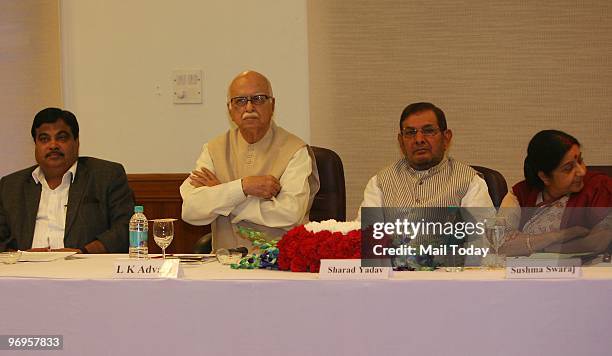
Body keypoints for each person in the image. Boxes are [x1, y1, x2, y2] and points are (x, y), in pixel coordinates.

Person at [180, 70, 319, 250]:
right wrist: (243, 187)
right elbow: (191, 210)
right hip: (223, 266)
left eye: (259, 99)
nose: (249, 108)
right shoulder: (213, 149)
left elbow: (289, 214)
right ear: (230, 109)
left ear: (273, 105)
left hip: (279, 265)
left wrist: (222, 194)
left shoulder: (295, 150)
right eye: (240, 101)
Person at [0, 108, 134, 253]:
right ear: (35, 145)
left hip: (84, 269)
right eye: (44, 139)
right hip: (24, 270)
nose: (53, 145)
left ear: (76, 142)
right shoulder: (10, 186)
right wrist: (20, 256)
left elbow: (126, 228)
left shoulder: (106, 176)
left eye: (61, 138)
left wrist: (82, 252)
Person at [499, 130, 612, 256]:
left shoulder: (599, 187)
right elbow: (501, 245)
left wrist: (538, 246)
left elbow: (598, 242)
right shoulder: (520, 193)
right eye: (568, 168)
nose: (581, 172)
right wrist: (562, 235)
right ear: (545, 177)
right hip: (527, 272)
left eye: (580, 161)